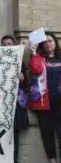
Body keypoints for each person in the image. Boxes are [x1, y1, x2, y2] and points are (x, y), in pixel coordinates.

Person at [29, 32, 61, 163]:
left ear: (55, 42)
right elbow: (35, 71)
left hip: (59, 103)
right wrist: (33, 53)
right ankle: (52, 160)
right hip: (44, 102)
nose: (48, 44)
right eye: (45, 42)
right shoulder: (40, 58)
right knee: (47, 132)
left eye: (50, 40)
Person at [1, 35, 29, 163]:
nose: (7, 46)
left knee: (14, 139)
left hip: (15, 108)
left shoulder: (19, 62)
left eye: (9, 44)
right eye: (4, 44)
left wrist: (23, 79)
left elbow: (27, 87)